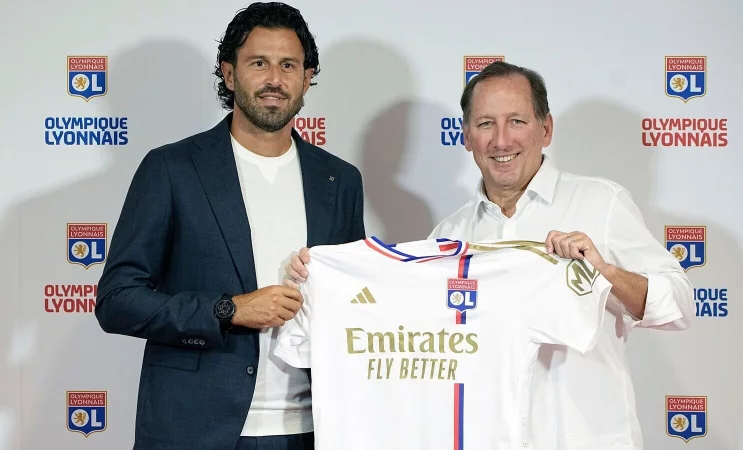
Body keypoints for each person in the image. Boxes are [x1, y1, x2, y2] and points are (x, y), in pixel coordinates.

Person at [285, 61, 693, 449]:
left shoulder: (601, 202)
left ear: (545, 129)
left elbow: (677, 306)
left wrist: (604, 271)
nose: (501, 140)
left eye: (517, 121)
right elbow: (414, 345)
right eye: (485, 124)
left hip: (587, 440)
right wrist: (320, 285)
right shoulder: (449, 237)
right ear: (465, 136)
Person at [95, 3, 365, 449]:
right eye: (259, 63)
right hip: (197, 430)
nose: (274, 79)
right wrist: (230, 309)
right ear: (228, 73)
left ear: (307, 77)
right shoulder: (171, 169)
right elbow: (118, 299)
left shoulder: (339, 180)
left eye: (289, 65)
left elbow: (354, 299)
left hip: (313, 429)